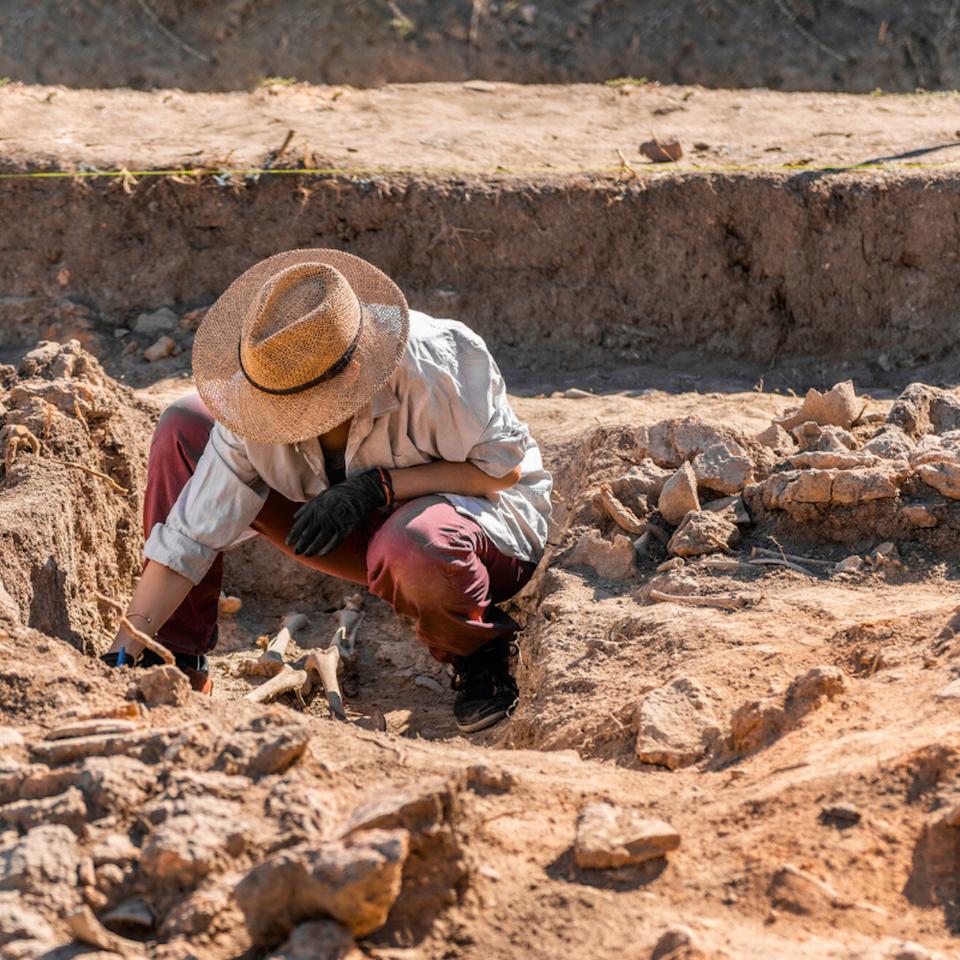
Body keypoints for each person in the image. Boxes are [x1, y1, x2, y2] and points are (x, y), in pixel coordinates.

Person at [101, 249, 552, 733]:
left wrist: (378, 488)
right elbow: (190, 532)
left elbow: (501, 473)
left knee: (414, 543)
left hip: (477, 528)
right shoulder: (263, 385)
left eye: (300, 408)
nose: (279, 423)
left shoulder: (439, 364)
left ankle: (477, 650)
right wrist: (129, 644)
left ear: (352, 375)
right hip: (353, 531)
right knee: (186, 424)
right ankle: (172, 660)